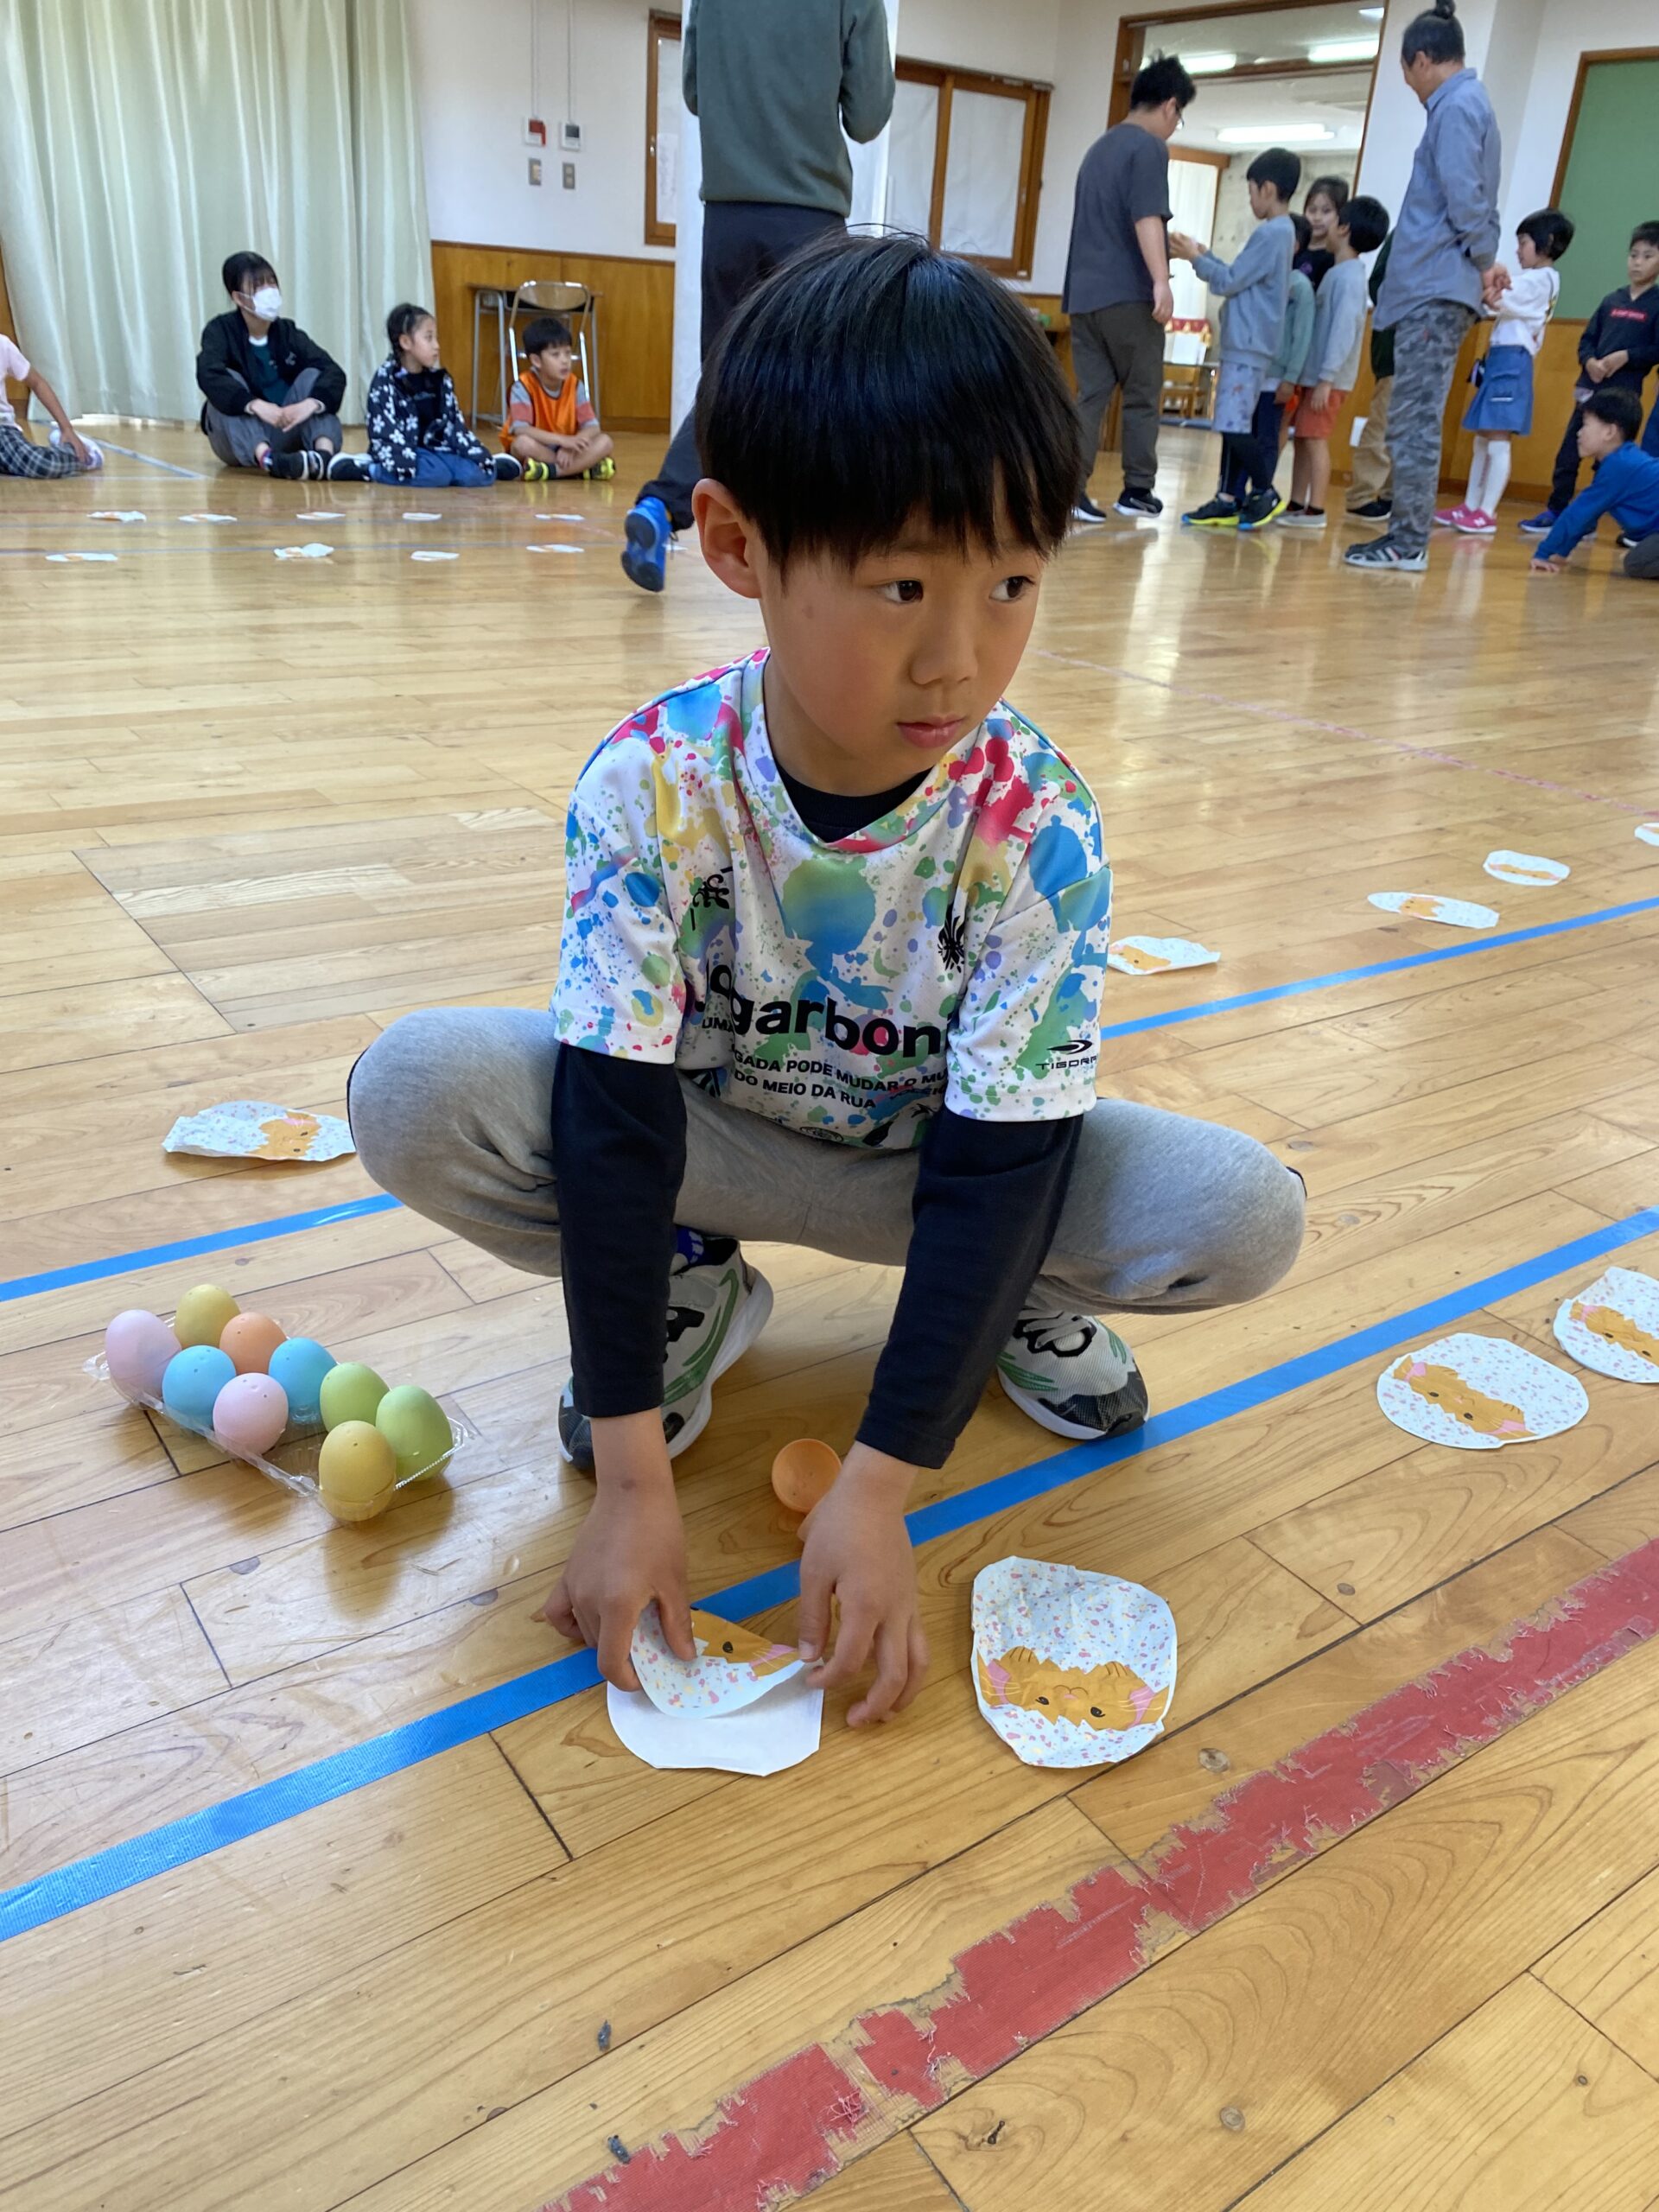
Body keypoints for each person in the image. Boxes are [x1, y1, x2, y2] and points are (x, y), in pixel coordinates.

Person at [346, 235, 1306, 1727]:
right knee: (416, 1089)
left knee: (1245, 1216)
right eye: (903, 584)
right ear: (739, 548)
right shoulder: (654, 783)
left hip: (935, 1173)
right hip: (707, 1152)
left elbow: (1004, 1167)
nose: (959, 660)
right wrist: (632, 1480)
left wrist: (882, 1481)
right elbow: (613, 1122)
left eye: (1012, 582)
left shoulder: (1040, 831)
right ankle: (696, 1282)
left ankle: (1006, 1312)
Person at [620, 0, 894, 593]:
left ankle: (661, 507)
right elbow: (869, 116)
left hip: (728, 220)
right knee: (819, 391)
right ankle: (819, 552)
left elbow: (696, 94)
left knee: (726, 385)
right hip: (809, 219)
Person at [1344, 0, 1504, 575]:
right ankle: (1405, 537)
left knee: (1413, 421)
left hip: (1435, 291)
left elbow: (1466, 197)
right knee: (1412, 419)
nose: (1410, 85)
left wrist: (1485, 261)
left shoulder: (1457, 106)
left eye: (1407, 72)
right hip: (1436, 286)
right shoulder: (1465, 104)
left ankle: (1407, 541)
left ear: (1420, 60)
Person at [1065, 54, 1198, 526]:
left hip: (1083, 296)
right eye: (1179, 117)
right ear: (1170, 105)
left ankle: (1070, 491)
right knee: (1142, 394)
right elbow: (1146, 216)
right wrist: (1161, 280)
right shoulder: (1148, 149)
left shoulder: (1098, 149)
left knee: (1092, 395)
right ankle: (1137, 489)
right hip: (1128, 295)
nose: (1175, 127)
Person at [1169, 147, 1300, 531]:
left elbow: (1228, 282)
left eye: (1251, 191)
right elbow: (1241, 278)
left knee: (1231, 424)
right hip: (1250, 345)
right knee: (1233, 423)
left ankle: (1264, 489)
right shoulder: (1282, 232)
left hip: (1248, 347)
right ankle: (1227, 498)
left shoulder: (1272, 233)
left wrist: (1194, 258)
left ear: (1267, 189)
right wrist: (1205, 255)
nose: (1251, 200)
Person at [1436, 207, 1573, 534]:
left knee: (1498, 440)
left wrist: (1482, 276)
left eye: (1524, 242)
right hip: (1500, 359)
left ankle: (1486, 512)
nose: (1518, 250)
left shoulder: (1542, 279)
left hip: (1512, 362)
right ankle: (1471, 505)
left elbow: (1497, 298)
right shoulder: (1535, 278)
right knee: (1483, 439)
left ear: (1547, 242)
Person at [1522, 221, 1659, 536]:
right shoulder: (1612, 300)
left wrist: (1626, 356)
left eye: (1647, 256)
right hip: (1590, 390)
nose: (1637, 262)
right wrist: (1590, 361)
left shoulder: (1656, 304)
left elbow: (1655, 350)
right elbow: (1587, 340)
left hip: (1624, 394)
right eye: (1633, 255)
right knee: (1570, 450)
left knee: (1608, 461)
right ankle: (1557, 509)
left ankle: (1589, 521)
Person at [1284, 194, 1390, 529]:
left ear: (1343, 228)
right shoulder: (1339, 272)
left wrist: (1326, 379)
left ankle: (1315, 509)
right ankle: (1296, 503)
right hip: (1317, 377)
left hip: (1327, 381)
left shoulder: (1349, 279)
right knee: (1304, 439)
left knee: (1315, 439)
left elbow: (1343, 332)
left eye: (1332, 217)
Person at [331, 305, 522, 486]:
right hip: (404, 451)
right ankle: (368, 468)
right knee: (435, 475)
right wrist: (403, 458)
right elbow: (385, 433)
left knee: (477, 475)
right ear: (406, 342)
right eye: (429, 338)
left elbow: (454, 425)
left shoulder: (440, 380)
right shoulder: (386, 381)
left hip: (437, 450)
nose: (437, 346)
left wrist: (475, 455)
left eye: (436, 338)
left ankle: (491, 465)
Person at [195, 252, 346, 480]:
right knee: (227, 384)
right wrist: (253, 405)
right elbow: (208, 374)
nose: (269, 290)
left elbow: (332, 371)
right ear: (239, 298)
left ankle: (323, 458)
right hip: (236, 437)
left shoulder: (287, 332)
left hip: (286, 427)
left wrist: (310, 404)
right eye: (258, 286)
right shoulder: (220, 330)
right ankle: (268, 459)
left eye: (271, 282)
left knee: (315, 378)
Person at [1529, 388, 1659, 580]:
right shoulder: (1624, 461)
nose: (1579, 433)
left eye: (1586, 425)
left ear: (1609, 432)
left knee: (1637, 563)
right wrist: (1560, 551)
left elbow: (1579, 514)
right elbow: (1586, 516)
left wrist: (1544, 553)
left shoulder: (1620, 466)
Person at [502, 317, 614, 482]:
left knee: (606, 442)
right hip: (540, 447)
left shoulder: (575, 385)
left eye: (568, 353)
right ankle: (580, 469)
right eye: (556, 355)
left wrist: (572, 446)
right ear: (536, 361)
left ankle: (552, 471)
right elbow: (521, 429)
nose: (565, 361)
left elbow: (592, 427)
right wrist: (563, 441)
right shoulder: (523, 387)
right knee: (522, 444)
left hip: (569, 448)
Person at [0, 332, 99, 477]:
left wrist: (66, 428)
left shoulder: (3, 345)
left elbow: (37, 383)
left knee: (43, 464)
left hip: (2, 431)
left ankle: (81, 454)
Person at [1346, 230, 1395, 518]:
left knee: (1408, 428)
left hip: (1422, 350)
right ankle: (1361, 495)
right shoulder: (1406, 234)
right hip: (1396, 345)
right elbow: (1378, 285)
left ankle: (1391, 493)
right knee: (1383, 421)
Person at [1296, 175, 1351, 291]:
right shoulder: (1296, 246)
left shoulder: (1333, 258)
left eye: (1326, 211)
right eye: (1312, 210)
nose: (1317, 218)